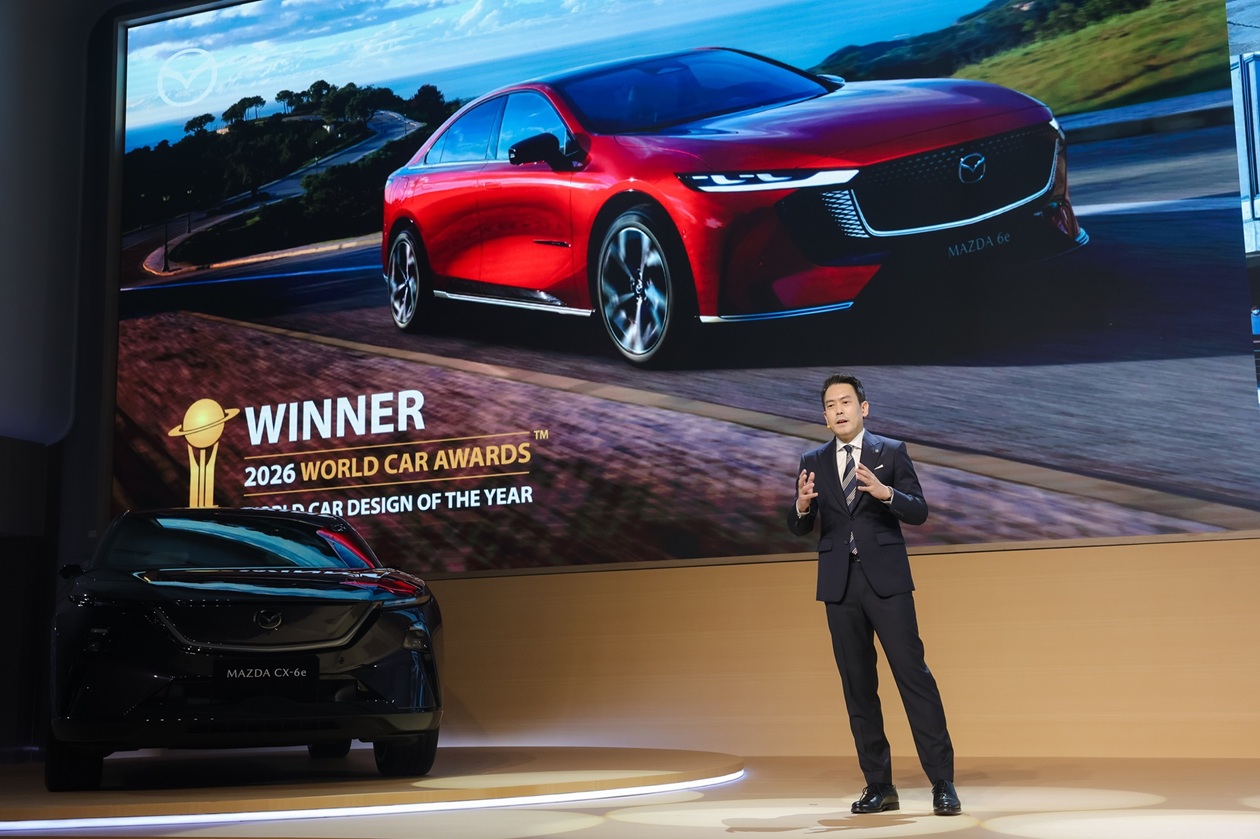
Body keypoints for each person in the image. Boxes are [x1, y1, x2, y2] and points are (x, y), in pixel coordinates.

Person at [787, 373, 961, 817]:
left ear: (863, 408)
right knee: (858, 686)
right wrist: (802, 507)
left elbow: (918, 511)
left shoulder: (891, 451)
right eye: (831, 405)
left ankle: (942, 782)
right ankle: (879, 785)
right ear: (824, 417)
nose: (839, 410)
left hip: (886, 581)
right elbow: (801, 526)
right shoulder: (813, 460)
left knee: (914, 678)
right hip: (839, 585)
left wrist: (886, 494)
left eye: (846, 402)